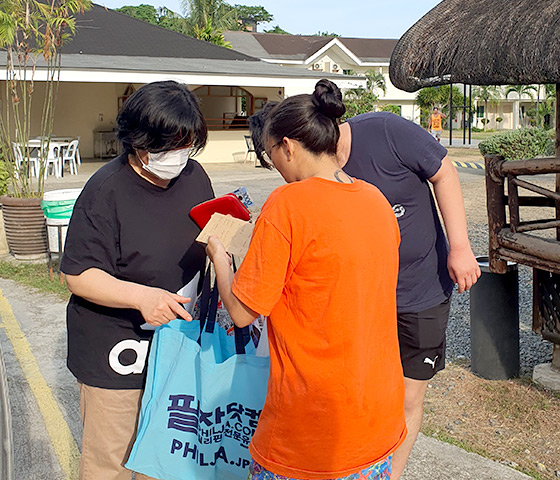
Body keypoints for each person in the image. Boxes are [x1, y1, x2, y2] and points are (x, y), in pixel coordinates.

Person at [250, 89, 480, 480]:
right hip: (361, 298)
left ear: (292, 143)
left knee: (408, 396)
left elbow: (444, 171)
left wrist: (459, 247)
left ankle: (387, 472)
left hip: (420, 287)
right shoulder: (308, 189)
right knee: (362, 390)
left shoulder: (387, 131)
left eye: (272, 155)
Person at [206, 79, 406, 480]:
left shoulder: (288, 204)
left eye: (270, 155)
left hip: (312, 427)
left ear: (288, 146)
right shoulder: (376, 200)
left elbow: (244, 312)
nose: (275, 167)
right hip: (377, 412)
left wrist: (220, 259)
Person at [60, 81, 214, 480]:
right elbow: (77, 273)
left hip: (176, 345)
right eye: (166, 147)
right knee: (112, 460)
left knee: (162, 455)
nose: (177, 157)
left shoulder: (194, 177)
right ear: (136, 141)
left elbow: (206, 234)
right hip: (117, 351)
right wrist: (140, 296)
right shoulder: (105, 191)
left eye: (186, 145)